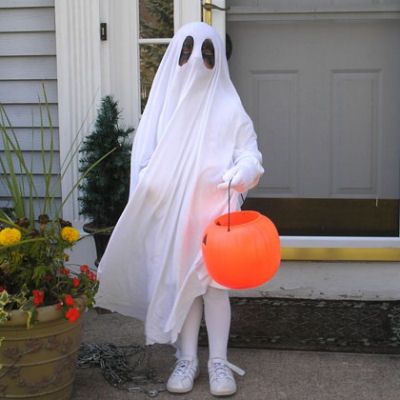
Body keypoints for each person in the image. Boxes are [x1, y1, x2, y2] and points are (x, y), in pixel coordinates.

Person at [95, 21, 264, 396]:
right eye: (189, 54)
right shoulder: (163, 106)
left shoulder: (228, 107)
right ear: (176, 56)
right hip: (175, 218)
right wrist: (149, 182)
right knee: (183, 286)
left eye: (207, 55)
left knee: (215, 289)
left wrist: (246, 170)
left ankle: (218, 361)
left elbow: (249, 152)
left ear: (218, 61)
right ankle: (186, 358)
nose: (197, 63)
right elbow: (145, 156)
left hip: (216, 217)